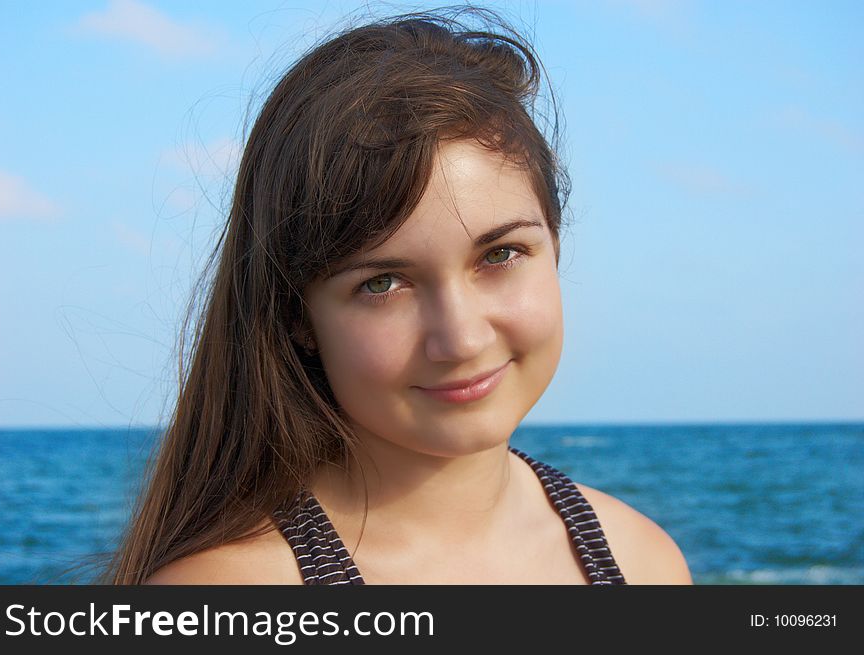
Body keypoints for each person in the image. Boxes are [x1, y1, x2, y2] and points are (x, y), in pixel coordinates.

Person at [106, 7, 692, 585]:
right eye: (382, 284)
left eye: (500, 255)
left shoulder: (642, 561)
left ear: (554, 247)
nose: (461, 338)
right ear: (296, 316)